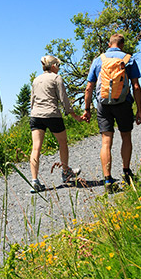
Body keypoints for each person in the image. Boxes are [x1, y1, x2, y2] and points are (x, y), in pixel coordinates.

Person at [82, 33, 141, 193]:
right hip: (124, 104)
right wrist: (139, 111)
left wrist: (87, 109)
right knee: (126, 137)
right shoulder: (128, 59)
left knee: (106, 142)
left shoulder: (98, 60)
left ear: (109, 44)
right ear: (121, 45)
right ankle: (126, 173)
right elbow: (136, 86)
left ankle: (108, 180)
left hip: (103, 105)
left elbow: (89, 87)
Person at [30, 55, 83, 192]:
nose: (59, 68)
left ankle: (34, 180)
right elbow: (64, 100)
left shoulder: (36, 80)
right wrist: (74, 115)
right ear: (53, 66)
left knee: (36, 148)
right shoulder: (56, 78)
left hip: (36, 115)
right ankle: (65, 171)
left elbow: (32, 100)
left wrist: (34, 112)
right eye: (58, 65)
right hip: (52, 114)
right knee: (62, 142)